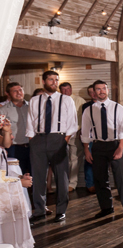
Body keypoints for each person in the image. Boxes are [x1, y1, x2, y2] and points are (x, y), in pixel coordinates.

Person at [26, 71, 78, 223]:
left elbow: (72, 123)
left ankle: (61, 211)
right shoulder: (35, 100)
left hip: (59, 138)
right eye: (51, 80)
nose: (54, 82)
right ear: (43, 82)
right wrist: (32, 140)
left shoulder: (66, 100)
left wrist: (65, 140)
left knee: (62, 178)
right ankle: (40, 210)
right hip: (38, 139)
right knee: (38, 177)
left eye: (56, 80)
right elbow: (30, 121)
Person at [81, 80, 123, 218]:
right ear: (94, 92)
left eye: (104, 89)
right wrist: (86, 150)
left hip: (115, 145)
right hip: (98, 146)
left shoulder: (118, 108)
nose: (101, 91)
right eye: (98, 89)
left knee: (122, 177)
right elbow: (85, 132)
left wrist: (120, 148)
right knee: (100, 179)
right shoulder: (89, 110)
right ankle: (106, 208)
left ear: (108, 90)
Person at [59, 82, 86, 191]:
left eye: (68, 89)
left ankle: (72, 183)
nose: (66, 91)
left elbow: (84, 118)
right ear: (60, 90)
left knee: (74, 158)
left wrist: (81, 131)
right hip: (61, 133)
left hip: (76, 132)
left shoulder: (80, 100)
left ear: (71, 89)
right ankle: (61, 182)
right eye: (63, 89)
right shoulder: (58, 100)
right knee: (61, 159)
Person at [0, 82, 31, 174]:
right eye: (15, 91)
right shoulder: (3, 110)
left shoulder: (32, 106)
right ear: (8, 94)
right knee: (16, 176)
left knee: (35, 176)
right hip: (14, 148)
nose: (19, 93)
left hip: (33, 146)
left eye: (20, 90)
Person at [82, 84, 98, 193]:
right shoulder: (86, 106)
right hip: (90, 136)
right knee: (89, 161)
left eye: (94, 91)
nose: (93, 94)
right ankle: (90, 184)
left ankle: (100, 183)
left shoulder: (107, 105)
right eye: (91, 92)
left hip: (104, 138)